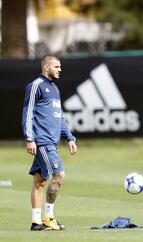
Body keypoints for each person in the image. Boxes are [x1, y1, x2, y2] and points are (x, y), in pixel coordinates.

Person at [22, 55, 77, 231]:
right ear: (46, 67)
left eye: (60, 66)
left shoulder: (54, 89)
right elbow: (28, 113)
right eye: (56, 66)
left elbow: (59, 117)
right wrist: (30, 138)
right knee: (59, 175)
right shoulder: (36, 86)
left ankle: (36, 223)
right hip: (42, 142)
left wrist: (69, 137)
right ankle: (48, 217)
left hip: (51, 142)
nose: (60, 69)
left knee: (39, 182)